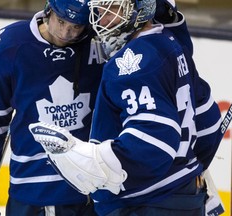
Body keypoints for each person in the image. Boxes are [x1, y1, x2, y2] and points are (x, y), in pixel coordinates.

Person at [29, 0, 224, 215]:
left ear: (142, 9)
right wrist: (189, 173)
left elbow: (153, 143)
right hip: (184, 196)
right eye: (100, 9)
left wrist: (89, 160)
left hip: (144, 204)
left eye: (113, 9)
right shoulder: (171, 45)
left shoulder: (131, 62)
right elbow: (209, 122)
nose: (101, 19)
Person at [0, 0, 105, 215]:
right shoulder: (11, 46)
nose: (66, 33)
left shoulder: (101, 43)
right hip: (32, 188)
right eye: (62, 21)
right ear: (49, 11)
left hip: (91, 188)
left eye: (76, 26)